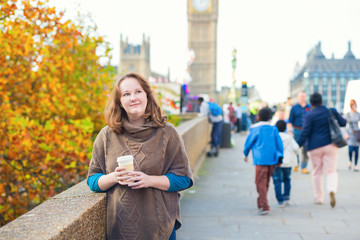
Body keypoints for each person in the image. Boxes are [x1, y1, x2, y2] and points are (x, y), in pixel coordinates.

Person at [87, 73, 193, 239]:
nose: (133, 98)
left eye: (138, 92)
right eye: (126, 94)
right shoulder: (106, 136)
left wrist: (149, 180)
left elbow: (184, 178)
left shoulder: (167, 133)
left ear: (147, 96)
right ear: (120, 102)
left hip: (160, 228)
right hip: (118, 228)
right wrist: (114, 177)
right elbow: (92, 180)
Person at [297, 92, 346, 208]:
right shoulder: (330, 111)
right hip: (331, 145)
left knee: (317, 172)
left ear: (311, 103)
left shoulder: (309, 115)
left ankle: (319, 198)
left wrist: (296, 146)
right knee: (331, 171)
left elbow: (305, 133)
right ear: (321, 101)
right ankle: (332, 190)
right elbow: (343, 123)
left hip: (314, 147)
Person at [243, 107, 284, 215]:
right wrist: (280, 156)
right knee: (265, 182)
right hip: (272, 160)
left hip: (260, 159)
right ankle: (261, 202)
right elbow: (279, 144)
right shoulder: (274, 129)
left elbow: (249, 143)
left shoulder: (254, 129)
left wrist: (245, 154)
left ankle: (265, 206)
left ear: (258, 117)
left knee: (259, 182)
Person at [273, 120, 299, 207]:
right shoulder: (289, 138)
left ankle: (280, 200)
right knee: (287, 179)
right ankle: (286, 197)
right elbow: (296, 148)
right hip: (288, 163)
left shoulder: (274, 137)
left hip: (277, 162)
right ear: (285, 128)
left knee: (277, 180)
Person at [287, 91, 311, 174]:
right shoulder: (294, 108)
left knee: (306, 149)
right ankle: (296, 164)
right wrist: (290, 131)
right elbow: (290, 121)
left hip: (306, 131)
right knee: (295, 148)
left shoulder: (309, 107)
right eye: (301, 96)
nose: (302, 98)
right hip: (296, 130)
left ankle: (304, 166)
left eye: (303, 96)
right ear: (298, 97)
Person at [345, 99, 360, 171]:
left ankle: (356, 165)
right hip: (350, 133)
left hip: (357, 133)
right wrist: (346, 133)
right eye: (352, 105)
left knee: (357, 150)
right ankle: (350, 161)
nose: (354, 106)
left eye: (354, 104)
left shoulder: (358, 114)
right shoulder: (348, 114)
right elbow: (345, 125)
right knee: (350, 149)